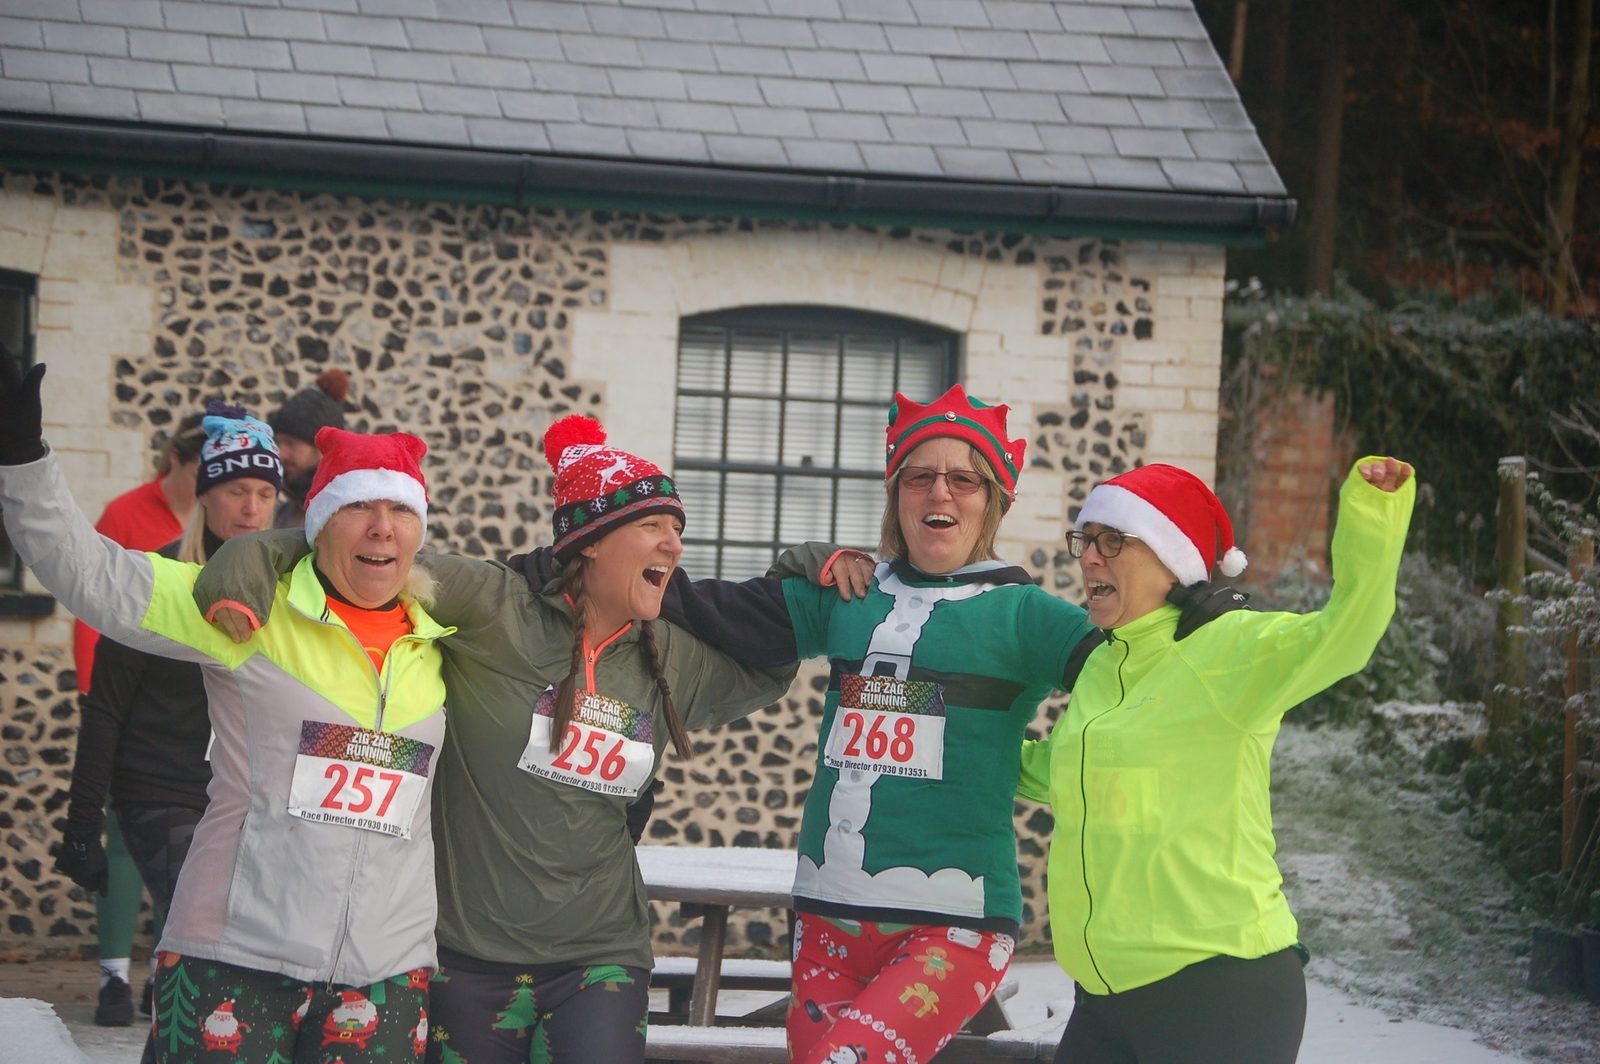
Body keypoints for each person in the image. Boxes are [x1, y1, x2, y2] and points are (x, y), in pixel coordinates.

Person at [195, 414, 809, 1064]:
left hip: (601, 959)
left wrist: (803, 572)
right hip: (466, 959)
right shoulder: (495, 607)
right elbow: (372, 557)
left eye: (678, 530)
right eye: (654, 526)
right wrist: (247, 556)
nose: (674, 545)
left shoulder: (672, 659)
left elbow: (769, 661)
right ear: (593, 541)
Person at [599, 385, 1132, 1064]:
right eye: (920, 476)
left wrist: (1052, 764)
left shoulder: (1024, 614)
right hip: (826, 919)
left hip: (954, 924)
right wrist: (580, 560)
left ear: (993, 499)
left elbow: (1134, 679)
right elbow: (704, 608)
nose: (940, 493)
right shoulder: (849, 593)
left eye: (963, 478)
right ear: (896, 493)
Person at [0, 355, 454, 1063]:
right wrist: (22, 457)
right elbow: (89, 572)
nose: (380, 528)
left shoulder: (446, 641)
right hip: (240, 955)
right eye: (359, 507)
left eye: (399, 509)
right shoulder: (248, 610)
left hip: (384, 971)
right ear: (321, 522)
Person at [1017, 457, 1416, 1064]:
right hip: (1105, 997)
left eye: (1113, 540)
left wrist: (1372, 515)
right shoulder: (1104, 664)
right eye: (1086, 540)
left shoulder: (1229, 648)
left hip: (1218, 989)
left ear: (1172, 558)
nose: (1090, 557)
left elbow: (1348, 633)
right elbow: (1069, 774)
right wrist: (957, 746)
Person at [52, 403, 283, 1063]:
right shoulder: (155, 581)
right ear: (204, 496)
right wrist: (80, 822)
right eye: (237, 490)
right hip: (158, 790)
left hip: (238, 794)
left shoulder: (287, 592)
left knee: (206, 959)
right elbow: (106, 705)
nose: (251, 507)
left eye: (265, 493)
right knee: (212, 930)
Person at [67, 409, 206, 1026]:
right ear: (174, 462)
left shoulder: (225, 530)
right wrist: (94, 692)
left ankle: (161, 971)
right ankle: (114, 974)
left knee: (181, 872)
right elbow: (97, 609)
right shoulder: (129, 513)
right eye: (200, 469)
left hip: (189, 721)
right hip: (128, 693)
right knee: (127, 848)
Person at [267, 367, 349, 529]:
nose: (280, 453)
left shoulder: (347, 517)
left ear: (322, 448)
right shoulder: (280, 516)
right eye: (278, 442)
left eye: (290, 443)